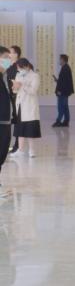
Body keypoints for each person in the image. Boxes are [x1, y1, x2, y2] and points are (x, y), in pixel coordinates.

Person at [11, 58, 41, 158]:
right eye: (18, 68)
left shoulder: (35, 76)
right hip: (20, 105)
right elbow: (15, 91)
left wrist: (22, 85)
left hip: (29, 106)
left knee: (30, 129)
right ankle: (20, 150)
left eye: (20, 68)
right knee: (20, 129)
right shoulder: (18, 75)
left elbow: (33, 91)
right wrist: (15, 87)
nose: (19, 70)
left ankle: (32, 151)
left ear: (26, 66)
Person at [0, 47, 13, 186]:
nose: (8, 60)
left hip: (5, 122)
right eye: (5, 57)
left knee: (2, 152)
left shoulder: (3, 77)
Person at [5, 45, 21, 153]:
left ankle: (17, 145)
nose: (8, 54)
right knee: (10, 121)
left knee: (17, 121)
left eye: (10, 52)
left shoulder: (19, 66)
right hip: (7, 97)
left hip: (16, 98)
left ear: (16, 54)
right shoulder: (6, 64)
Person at [53, 53, 74, 127]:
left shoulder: (65, 68)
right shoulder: (66, 67)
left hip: (63, 92)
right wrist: (57, 80)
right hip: (65, 92)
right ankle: (66, 121)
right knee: (65, 107)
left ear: (63, 60)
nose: (59, 61)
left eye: (60, 59)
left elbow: (64, 83)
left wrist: (60, 91)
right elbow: (63, 81)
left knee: (61, 107)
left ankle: (58, 121)